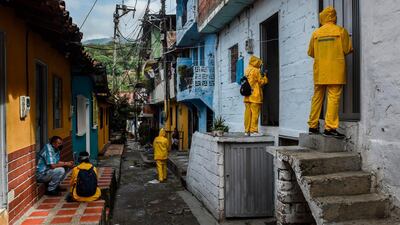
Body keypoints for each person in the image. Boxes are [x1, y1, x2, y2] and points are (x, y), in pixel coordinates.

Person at [307, 6, 353, 138]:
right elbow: (347, 49)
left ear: (323, 17)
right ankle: (330, 128)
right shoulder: (340, 31)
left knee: (317, 97)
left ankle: (312, 125)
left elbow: (311, 52)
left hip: (320, 70)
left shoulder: (316, 33)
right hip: (335, 70)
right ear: (333, 16)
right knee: (333, 97)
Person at [244, 55, 268, 137]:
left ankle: (247, 131)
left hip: (247, 96)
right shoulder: (256, 70)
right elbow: (261, 82)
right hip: (255, 96)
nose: (260, 65)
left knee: (247, 114)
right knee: (255, 114)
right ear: (256, 63)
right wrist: (265, 76)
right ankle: (254, 131)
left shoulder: (247, 70)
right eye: (259, 63)